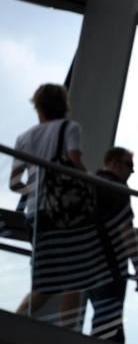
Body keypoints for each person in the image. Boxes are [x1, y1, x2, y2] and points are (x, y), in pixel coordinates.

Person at [9, 83, 86, 330]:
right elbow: (75, 164)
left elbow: (14, 183)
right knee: (73, 279)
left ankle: (13, 324)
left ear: (38, 107)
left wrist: (35, 192)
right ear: (63, 105)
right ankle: (67, 335)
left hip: (34, 214)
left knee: (48, 282)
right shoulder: (69, 128)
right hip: (61, 214)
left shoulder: (23, 138)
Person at [87, 147, 138, 343]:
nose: (132, 171)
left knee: (106, 318)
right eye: (129, 165)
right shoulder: (118, 188)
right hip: (110, 262)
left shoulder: (89, 182)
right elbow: (125, 228)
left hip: (88, 261)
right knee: (108, 324)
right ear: (114, 162)